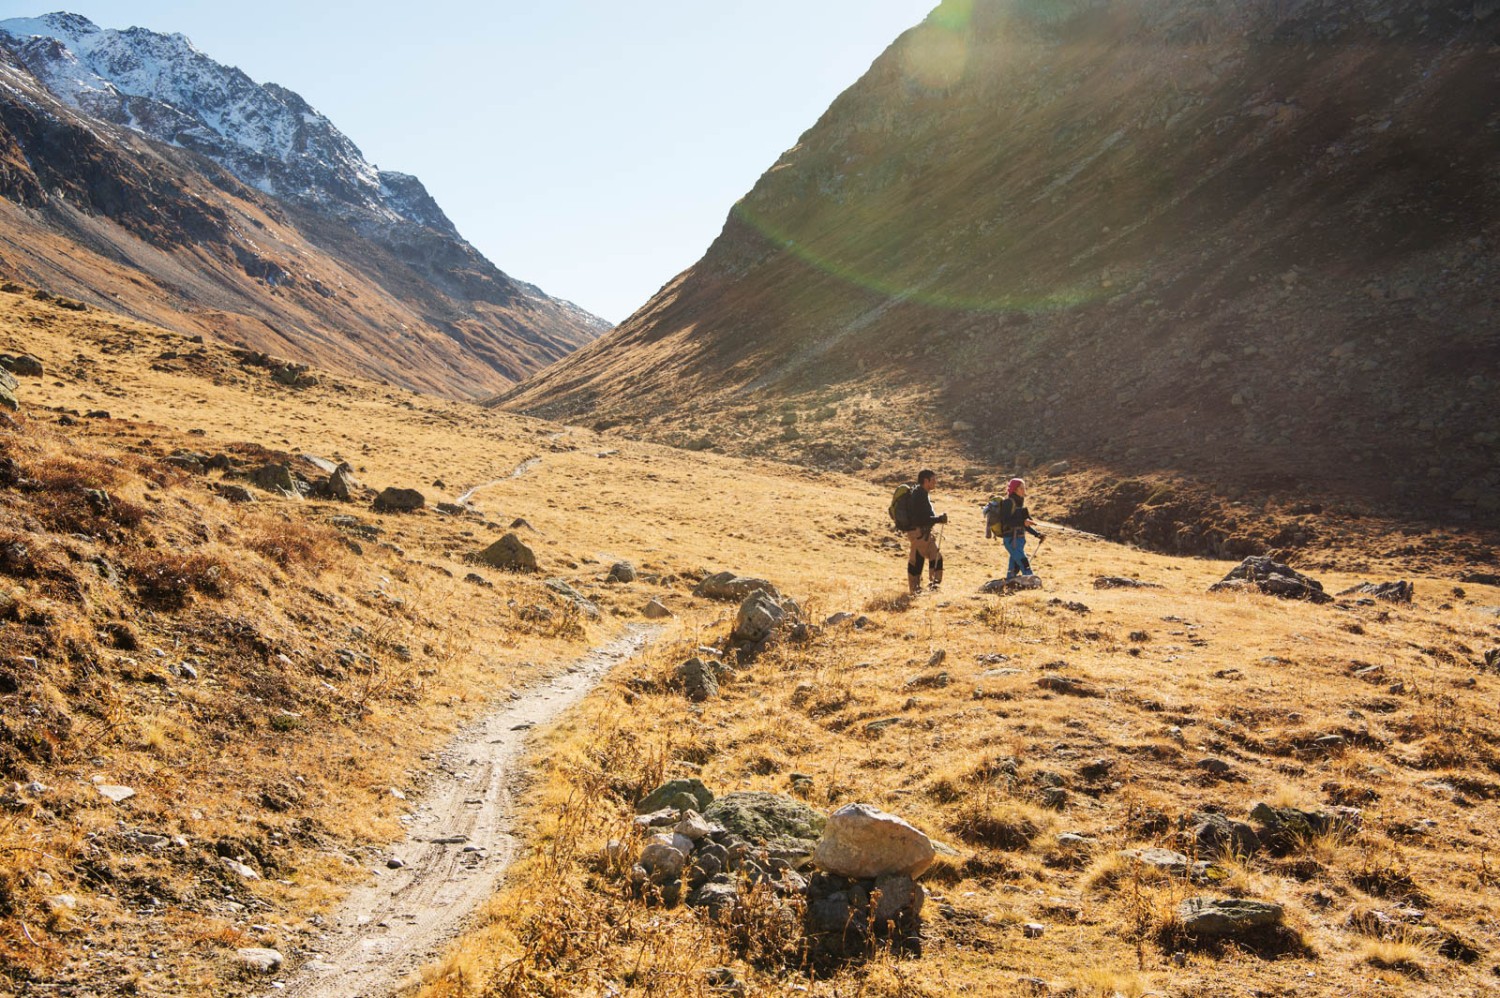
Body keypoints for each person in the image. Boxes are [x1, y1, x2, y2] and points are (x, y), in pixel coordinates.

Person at [905, 469, 948, 593]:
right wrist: (938, 519)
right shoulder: (918, 495)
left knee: (936, 558)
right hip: (918, 533)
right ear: (926, 481)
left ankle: (933, 586)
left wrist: (937, 519)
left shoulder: (922, 493)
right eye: (933, 480)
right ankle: (915, 590)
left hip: (924, 534)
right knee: (917, 561)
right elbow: (920, 518)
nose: (936, 482)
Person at [997, 478, 1044, 579]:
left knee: (1014, 565)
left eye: (1024, 488)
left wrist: (1037, 534)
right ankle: (1030, 579)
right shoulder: (1008, 502)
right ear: (1015, 489)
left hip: (1020, 540)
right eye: (1021, 488)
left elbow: (1025, 524)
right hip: (1011, 539)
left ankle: (1009, 581)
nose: (1024, 490)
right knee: (1023, 560)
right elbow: (1006, 521)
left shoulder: (1020, 504)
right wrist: (1023, 522)